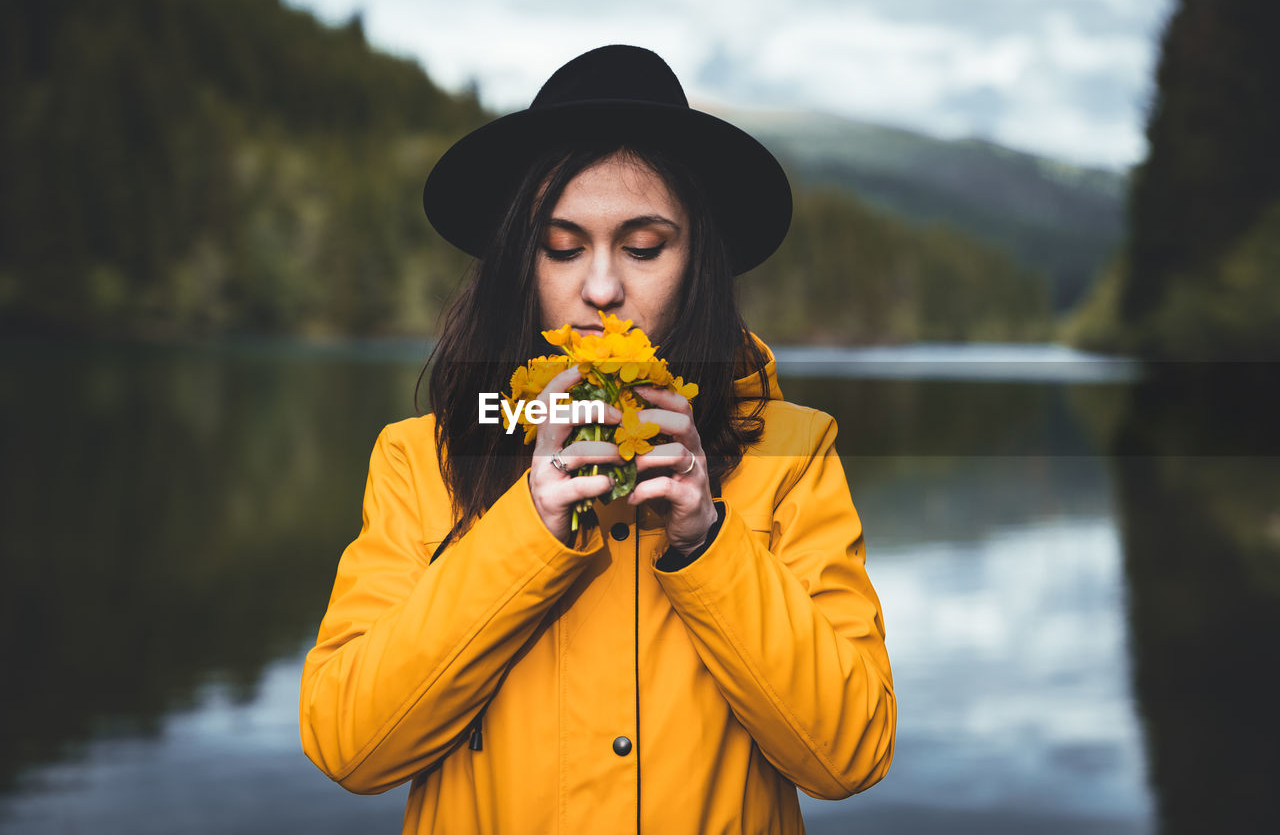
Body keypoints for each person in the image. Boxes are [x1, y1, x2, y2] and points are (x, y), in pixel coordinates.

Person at [300, 44, 895, 834]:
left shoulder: (794, 453)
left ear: (697, 262)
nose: (604, 288)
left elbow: (850, 753)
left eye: (644, 247)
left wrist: (707, 541)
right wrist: (527, 529)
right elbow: (351, 745)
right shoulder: (421, 460)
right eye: (563, 247)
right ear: (522, 263)